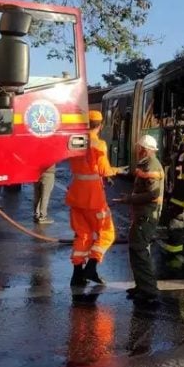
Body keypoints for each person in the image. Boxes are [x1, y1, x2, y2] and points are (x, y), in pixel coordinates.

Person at [66, 110, 127, 287]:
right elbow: (104, 170)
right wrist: (118, 170)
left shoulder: (75, 141)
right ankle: (91, 267)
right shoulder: (99, 144)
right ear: (100, 126)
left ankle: (77, 275)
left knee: (83, 234)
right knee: (107, 233)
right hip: (93, 197)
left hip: (76, 194)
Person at [115, 135, 164, 308]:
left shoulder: (151, 165)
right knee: (136, 249)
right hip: (142, 214)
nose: (137, 150)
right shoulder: (145, 164)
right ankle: (141, 287)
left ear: (145, 149)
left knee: (140, 250)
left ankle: (149, 291)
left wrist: (129, 199)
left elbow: (153, 194)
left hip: (147, 216)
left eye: (139, 147)